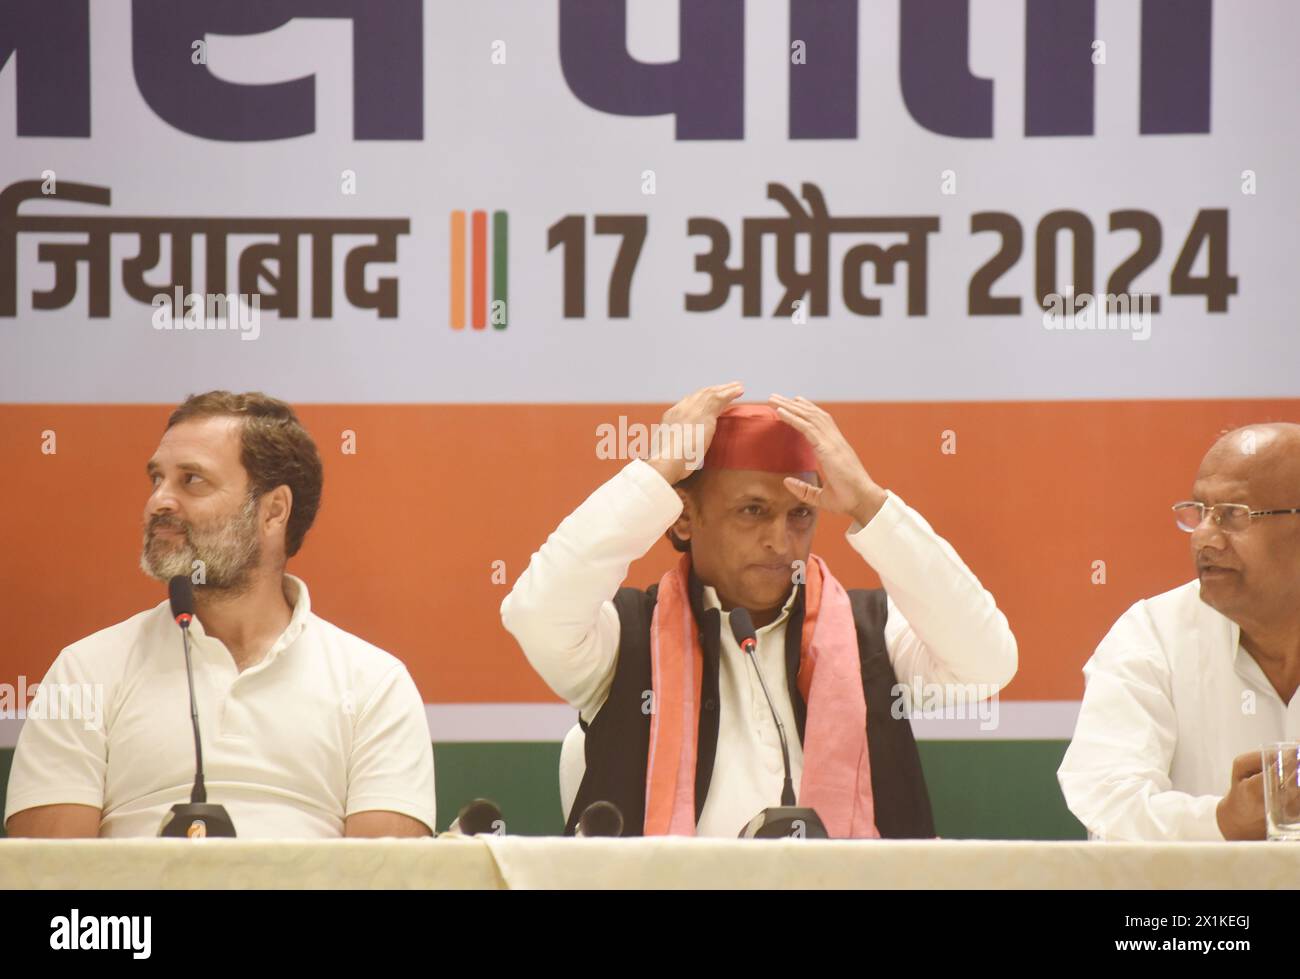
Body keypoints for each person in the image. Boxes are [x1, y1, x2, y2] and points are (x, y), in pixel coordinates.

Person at [502, 383, 1017, 838]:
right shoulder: (625, 639)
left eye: (800, 515)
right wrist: (657, 475)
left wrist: (867, 502)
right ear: (684, 518)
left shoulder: (871, 637)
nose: (780, 540)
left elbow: (986, 666)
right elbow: (535, 614)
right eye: (753, 511)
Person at [4, 391, 436, 838]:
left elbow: (389, 879)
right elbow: (48, 879)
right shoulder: (85, 670)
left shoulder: (374, 684)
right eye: (157, 479)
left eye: (191, 480)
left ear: (273, 511)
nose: (159, 502)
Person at [1058, 423, 1300, 840]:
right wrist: (1222, 821)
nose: (1205, 538)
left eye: (1233, 515)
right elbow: (1107, 801)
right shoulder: (1153, 634)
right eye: (1200, 512)